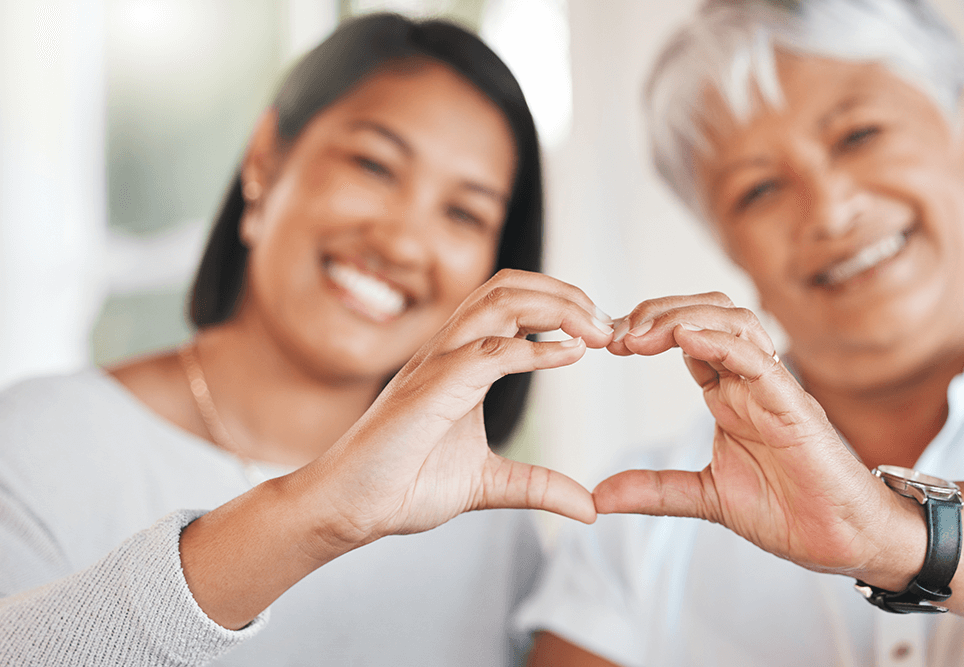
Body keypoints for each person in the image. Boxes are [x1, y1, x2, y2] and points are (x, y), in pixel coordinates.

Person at [517, 1, 964, 665]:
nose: (830, 209)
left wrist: (896, 534)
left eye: (858, 135)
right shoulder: (646, 522)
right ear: (729, 246)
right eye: (759, 189)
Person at [0, 13, 614, 666]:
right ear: (266, 156)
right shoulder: (42, 443)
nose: (401, 242)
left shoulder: (487, 527)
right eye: (374, 165)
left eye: (464, 212)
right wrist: (314, 513)